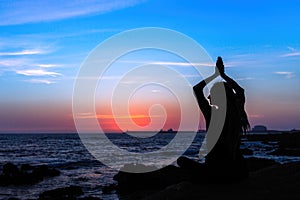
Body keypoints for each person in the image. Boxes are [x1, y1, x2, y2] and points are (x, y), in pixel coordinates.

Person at [177, 56, 249, 182]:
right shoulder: (237, 112)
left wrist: (215, 75)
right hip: (237, 171)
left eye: (212, 94)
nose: (209, 97)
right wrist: (223, 75)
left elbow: (197, 89)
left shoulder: (212, 114)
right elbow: (240, 91)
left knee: (181, 160)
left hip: (215, 172)